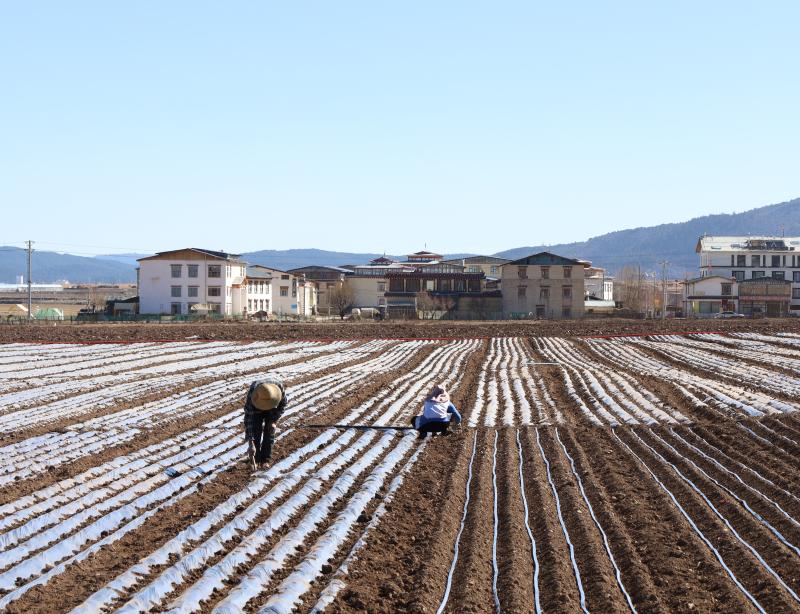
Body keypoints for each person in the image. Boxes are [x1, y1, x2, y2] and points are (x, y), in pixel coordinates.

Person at [244, 375, 288, 470]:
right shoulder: (253, 396)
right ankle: (255, 459)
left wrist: (273, 421)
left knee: (269, 431)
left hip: (272, 408)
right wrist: (251, 442)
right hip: (256, 407)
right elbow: (249, 420)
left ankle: (265, 460)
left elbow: (283, 405)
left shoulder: (278, 389)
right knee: (256, 430)